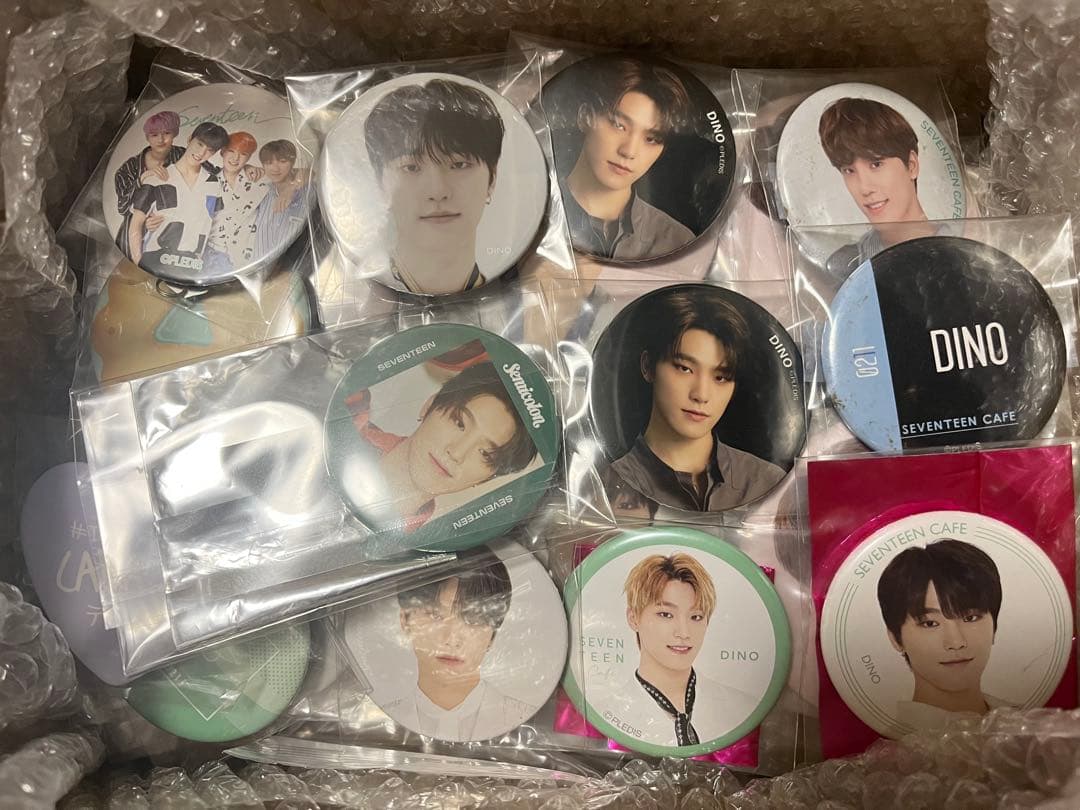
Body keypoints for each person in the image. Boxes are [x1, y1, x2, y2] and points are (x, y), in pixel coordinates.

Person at [610, 289, 786, 512]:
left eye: (721, 377)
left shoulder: (769, 481)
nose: (701, 395)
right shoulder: (608, 484)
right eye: (684, 368)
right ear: (648, 366)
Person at [343, 360, 537, 532]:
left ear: (486, 479)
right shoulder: (348, 412)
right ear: (430, 405)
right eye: (459, 423)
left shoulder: (427, 546)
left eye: (485, 453)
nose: (457, 453)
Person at [364, 78, 504, 294]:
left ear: (492, 179)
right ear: (379, 182)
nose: (438, 191)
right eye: (411, 167)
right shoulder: (351, 293)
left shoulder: (527, 289)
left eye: (459, 165)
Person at [384, 547, 536, 741]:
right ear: (405, 620)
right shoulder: (376, 722)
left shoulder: (526, 721)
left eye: (472, 619)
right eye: (435, 615)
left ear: (493, 634)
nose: (452, 639)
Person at [609, 553, 754, 746]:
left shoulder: (743, 708)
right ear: (633, 618)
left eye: (696, 617)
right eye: (666, 614)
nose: (684, 633)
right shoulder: (607, 712)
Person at [559, 57, 694, 260]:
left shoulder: (678, 241)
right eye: (619, 125)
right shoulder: (529, 211)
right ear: (585, 117)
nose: (629, 151)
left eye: (651, 139)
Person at [876, 539, 1007, 730]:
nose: (956, 642)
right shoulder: (886, 742)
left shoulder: (1032, 724)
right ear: (896, 639)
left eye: (970, 618)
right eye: (930, 623)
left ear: (994, 625)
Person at [818, 97, 935, 265]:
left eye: (876, 164)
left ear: (911, 165)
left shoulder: (962, 247)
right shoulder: (845, 264)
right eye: (849, 170)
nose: (865, 188)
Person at [124, 121, 229, 278]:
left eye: (210, 150)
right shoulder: (156, 179)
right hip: (154, 259)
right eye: (199, 144)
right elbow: (135, 225)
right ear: (189, 139)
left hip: (193, 265)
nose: (201, 153)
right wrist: (139, 263)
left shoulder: (214, 183)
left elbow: (216, 225)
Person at [202, 131, 271, 278]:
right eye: (231, 151)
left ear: (249, 157)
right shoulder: (208, 183)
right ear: (222, 152)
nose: (235, 158)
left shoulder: (258, 179)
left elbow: (293, 175)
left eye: (243, 154)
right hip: (216, 254)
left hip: (249, 254)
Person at [113, 110, 187, 217]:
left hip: (178, 218)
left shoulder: (184, 155)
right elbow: (123, 209)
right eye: (154, 135)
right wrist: (141, 179)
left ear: (175, 134)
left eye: (167, 133)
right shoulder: (127, 169)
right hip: (141, 224)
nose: (161, 140)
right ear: (147, 138)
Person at [250, 139, 308, 260]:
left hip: (294, 265)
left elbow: (312, 171)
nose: (275, 168)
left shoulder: (308, 192)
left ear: (292, 162)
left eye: (282, 161)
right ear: (263, 166)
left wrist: (291, 187)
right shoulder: (261, 193)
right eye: (269, 163)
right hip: (258, 265)